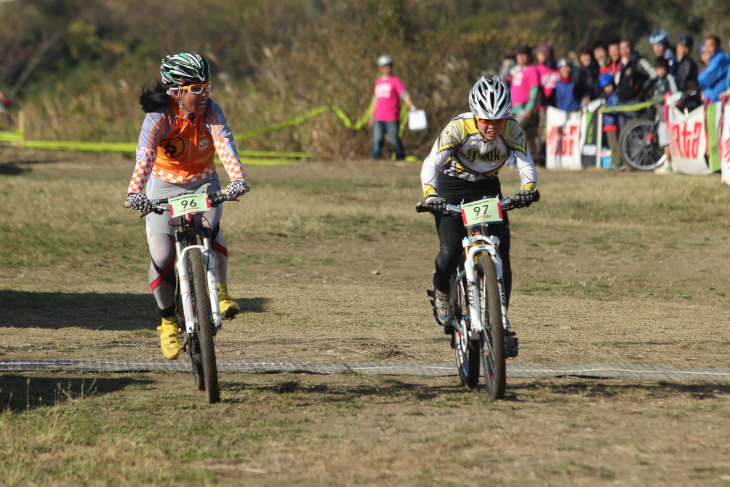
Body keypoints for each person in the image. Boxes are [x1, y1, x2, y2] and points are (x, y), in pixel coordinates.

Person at [126, 53, 249, 360]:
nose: (204, 94)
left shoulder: (212, 112)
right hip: (164, 187)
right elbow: (144, 159)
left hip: (203, 182)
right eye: (196, 88)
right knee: (163, 255)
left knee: (209, 226)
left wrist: (238, 179)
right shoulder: (158, 117)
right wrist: (135, 193)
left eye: (207, 86)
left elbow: (225, 146)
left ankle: (220, 292)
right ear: (176, 91)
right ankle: (168, 321)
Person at [420, 75, 539, 334]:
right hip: (451, 186)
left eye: (499, 119)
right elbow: (431, 163)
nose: (493, 126)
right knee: (451, 250)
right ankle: (442, 289)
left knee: (501, 255)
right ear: (475, 115)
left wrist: (527, 189)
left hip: (487, 189)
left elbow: (526, 163)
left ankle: (500, 320)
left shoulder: (512, 129)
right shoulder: (458, 128)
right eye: (486, 120)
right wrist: (431, 195)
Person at [368, 54, 417, 160]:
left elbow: (404, 95)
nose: (388, 68)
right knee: (377, 140)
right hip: (378, 118)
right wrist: (372, 116)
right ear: (380, 68)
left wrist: (412, 107)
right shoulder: (378, 82)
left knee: (394, 139)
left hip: (392, 117)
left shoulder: (395, 81)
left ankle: (401, 158)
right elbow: (375, 100)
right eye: (386, 66)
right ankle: (375, 161)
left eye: (390, 66)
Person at [616, 40, 656, 130]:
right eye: (622, 48)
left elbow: (654, 74)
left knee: (637, 130)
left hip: (635, 102)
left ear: (632, 48)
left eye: (626, 48)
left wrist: (643, 90)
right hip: (623, 102)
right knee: (625, 132)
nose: (624, 51)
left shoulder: (639, 61)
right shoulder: (622, 64)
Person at [534, 43, 560, 165]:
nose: (538, 56)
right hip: (543, 106)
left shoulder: (558, 68)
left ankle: (553, 155)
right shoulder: (538, 69)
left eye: (540, 53)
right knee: (542, 130)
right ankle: (539, 156)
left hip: (557, 105)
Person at [599, 73, 622, 170]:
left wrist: (605, 109)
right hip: (608, 125)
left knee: (614, 145)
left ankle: (616, 163)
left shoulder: (614, 96)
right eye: (605, 87)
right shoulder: (608, 97)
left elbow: (615, 109)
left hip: (612, 124)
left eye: (608, 86)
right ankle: (614, 162)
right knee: (611, 145)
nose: (607, 89)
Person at [697, 36, 729, 102]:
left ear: (718, 46)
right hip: (714, 99)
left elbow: (706, 79)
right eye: (706, 46)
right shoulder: (715, 60)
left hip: (717, 99)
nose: (707, 49)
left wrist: (699, 76)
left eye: (711, 46)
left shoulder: (720, 59)